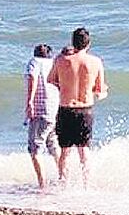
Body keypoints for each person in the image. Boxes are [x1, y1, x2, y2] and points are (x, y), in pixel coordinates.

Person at [47, 27, 108, 186]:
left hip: (66, 108)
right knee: (84, 150)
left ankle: (63, 184)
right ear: (88, 44)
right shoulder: (95, 62)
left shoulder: (61, 60)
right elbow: (99, 89)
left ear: (73, 43)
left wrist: (65, 85)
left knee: (65, 151)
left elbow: (51, 79)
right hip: (85, 109)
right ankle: (86, 185)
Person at [24, 43, 59, 189]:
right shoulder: (54, 64)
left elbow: (32, 79)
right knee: (53, 145)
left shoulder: (34, 62)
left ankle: (42, 184)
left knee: (35, 148)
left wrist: (30, 102)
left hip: (40, 110)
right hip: (54, 109)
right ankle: (64, 177)